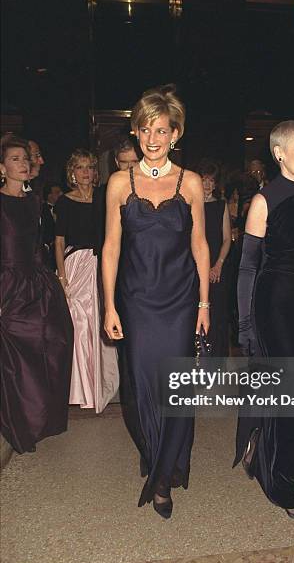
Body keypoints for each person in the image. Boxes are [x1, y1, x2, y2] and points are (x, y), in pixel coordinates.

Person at [102, 84, 210, 519]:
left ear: (175, 134)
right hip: (138, 300)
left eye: (161, 130)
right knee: (143, 387)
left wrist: (204, 304)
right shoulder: (118, 183)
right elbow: (110, 246)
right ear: (135, 132)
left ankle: (163, 477)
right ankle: (156, 453)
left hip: (181, 299)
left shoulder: (191, 182)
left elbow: (200, 244)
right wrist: (109, 305)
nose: (152, 139)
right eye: (145, 130)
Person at [234, 120, 294, 524]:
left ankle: (260, 450)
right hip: (273, 306)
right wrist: (246, 325)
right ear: (279, 153)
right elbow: (248, 270)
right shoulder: (263, 200)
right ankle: (288, 487)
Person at [0, 134, 73, 453]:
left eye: (24, 158)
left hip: (39, 281)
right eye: (14, 159)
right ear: (1, 167)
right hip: (9, 283)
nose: (22, 163)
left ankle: (46, 418)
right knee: (18, 355)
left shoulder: (33, 201)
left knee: (57, 341)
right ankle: (22, 424)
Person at [55, 149, 119, 413]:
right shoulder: (64, 202)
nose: (85, 172)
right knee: (80, 326)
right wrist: (62, 275)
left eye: (90, 167)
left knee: (100, 324)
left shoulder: (104, 199)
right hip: (76, 265)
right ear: (72, 172)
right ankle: (80, 389)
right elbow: (59, 242)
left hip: (102, 264)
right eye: (80, 168)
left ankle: (101, 387)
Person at [197, 158, 231, 357]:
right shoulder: (190, 205)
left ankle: (216, 363)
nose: (208, 184)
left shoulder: (221, 205)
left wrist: (218, 265)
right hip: (194, 268)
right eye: (204, 179)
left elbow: (227, 239)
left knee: (217, 314)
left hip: (217, 266)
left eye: (211, 180)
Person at [41, 183, 63, 270]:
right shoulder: (41, 209)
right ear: (49, 195)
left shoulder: (65, 208)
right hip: (49, 252)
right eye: (57, 192)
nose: (61, 194)